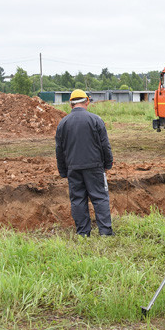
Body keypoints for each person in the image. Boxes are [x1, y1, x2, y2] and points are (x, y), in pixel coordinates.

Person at [55, 89, 114, 236]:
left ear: (70, 104)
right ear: (87, 101)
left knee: (78, 199)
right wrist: (108, 164)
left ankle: (83, 233)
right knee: (100, 197)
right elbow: (105, 145)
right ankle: (105, 232)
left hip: (73, 168)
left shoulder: (63, 123)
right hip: (94, 166)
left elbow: (59, 150)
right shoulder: (96, 120)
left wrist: (63, 171)